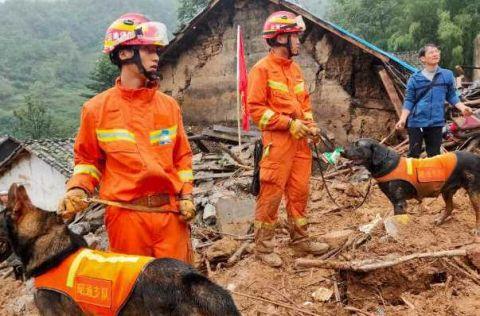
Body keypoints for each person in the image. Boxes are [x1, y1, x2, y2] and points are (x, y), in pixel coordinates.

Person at [58, 13, 195, 263]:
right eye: (149, 50)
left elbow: (182, 157)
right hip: (126, 218)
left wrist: (186, 196)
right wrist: (77, 189)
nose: (156, 56)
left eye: (157, 50)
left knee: (179, 293)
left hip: (171, 215)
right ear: (124, 54)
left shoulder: (169, 107)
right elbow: (88, 162)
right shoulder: (95, 110)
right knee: (134, 293)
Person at [247, 11, 329, 267]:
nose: (298, 41)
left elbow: (304, 105)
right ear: (281, 38)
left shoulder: (294, 70)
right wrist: (288, 124)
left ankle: (300, 239)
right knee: (270, 194)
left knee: (299, 192)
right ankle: (263, 247)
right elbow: (255, 110)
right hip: (277, 144)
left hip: (300, 144)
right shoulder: (261, 70)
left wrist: (311, 127)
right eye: (295, 36)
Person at [396, 43, 473, 157]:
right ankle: (413, 175)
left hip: (436, 122)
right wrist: (402, 119)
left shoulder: (446, 75)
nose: (435, 54)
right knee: (413, 154)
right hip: (417, 122)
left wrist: (463, 108)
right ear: (422, 58)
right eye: (431, 52)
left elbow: (451, 95)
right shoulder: (414, 78)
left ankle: (432, 175)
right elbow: (409, 100)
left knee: (434, 155)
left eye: (437, 51)